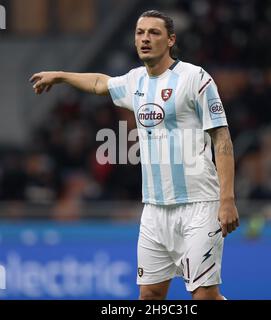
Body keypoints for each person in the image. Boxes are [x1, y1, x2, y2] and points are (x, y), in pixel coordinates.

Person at [30, 10, 239, 300]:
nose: (145, 38)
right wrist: (62, 76)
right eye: (140, 33)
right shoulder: (135, 81)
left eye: (154, 33)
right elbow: (100, 83)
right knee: (150, 295)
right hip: (154, 209)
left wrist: (227, 199)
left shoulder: (196, 79)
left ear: (170, 40)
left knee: (204, 295)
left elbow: (222, 139)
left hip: (199, 204)